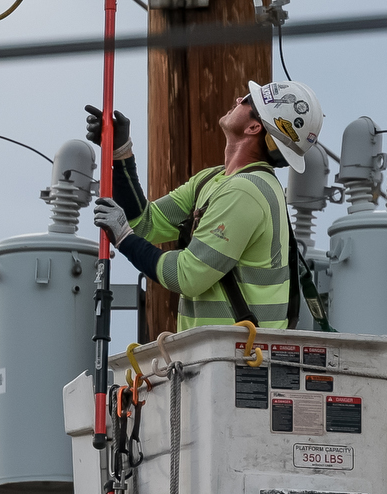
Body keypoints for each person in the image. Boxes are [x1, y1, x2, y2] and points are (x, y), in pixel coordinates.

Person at [87, 79, 322, 329]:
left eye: (246, 100)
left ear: (254, 127)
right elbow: (146, 223)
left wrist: (124, 238)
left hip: (239, 349)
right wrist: (121, 154)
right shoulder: (213, 179)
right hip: (218, 348)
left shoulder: (245, 191)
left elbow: (187, 276)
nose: (237, 100)